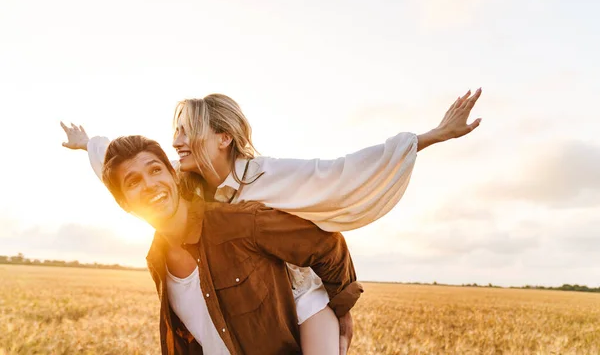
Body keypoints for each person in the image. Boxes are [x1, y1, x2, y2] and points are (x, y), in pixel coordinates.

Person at [61, 88, 482, 354]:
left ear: (222, 137)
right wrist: (87, 145)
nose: (176, 141)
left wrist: (434, 135)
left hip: (305, 300)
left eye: (187, 130)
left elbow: (341, 172)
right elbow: (124, 173)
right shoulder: (181, 180)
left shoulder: (267, 176)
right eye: (175, 131)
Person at [99, 134, 362, 354]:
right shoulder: (156, 261)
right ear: (124, 203)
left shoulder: (239, 222)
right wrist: (87, 143)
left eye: (155, 170)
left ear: (173, 174)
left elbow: (325, 243)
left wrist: (341, 312)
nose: (149, 184)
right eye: (133, 182)